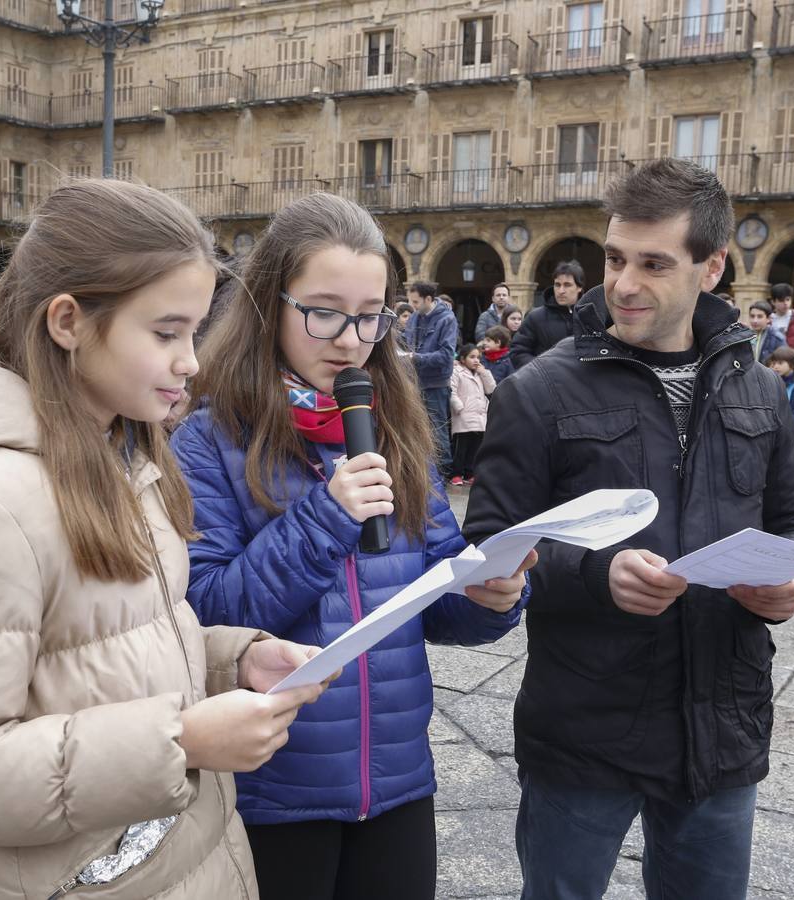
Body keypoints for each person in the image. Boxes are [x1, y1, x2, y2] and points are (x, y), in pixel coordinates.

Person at [0, 178, 328, 900]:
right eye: (166, 331)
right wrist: (181, 742)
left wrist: (232, 661)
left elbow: (103, 649)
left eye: (195, 330)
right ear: (68, 321)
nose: (193, 361)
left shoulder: (120, 451)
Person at [465, 158, 794, 900]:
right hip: (585, 728)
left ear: (711, 267)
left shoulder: (761, 388)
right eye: (616, 258)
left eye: (654, 263)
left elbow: (792, 520)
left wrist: (793, 580)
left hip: (722, 726)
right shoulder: (537, 392)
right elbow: (490, 545)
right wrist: (596, 572)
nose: (623, 283)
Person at [170, 192, 530, 900]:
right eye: (324, 311)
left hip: (396, 782)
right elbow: (206, 612)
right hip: (273, 789)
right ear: (272, 305)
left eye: (370, 316)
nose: (350, 339)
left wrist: (491, 595)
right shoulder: (207, 440)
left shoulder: (394, 430)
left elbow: (431, 599)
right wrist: (326, 517)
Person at [402, 279, 458, 478]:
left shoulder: (447, 319)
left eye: (416, 302)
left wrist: (414, 358)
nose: (413, 306)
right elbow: (407, 343)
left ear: (428, 299)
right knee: (416, 428)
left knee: (437, 430)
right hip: (414, 381)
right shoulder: (416, 317)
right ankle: (423, 473)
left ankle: (441, 475)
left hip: (435, 383)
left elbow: (445, 356)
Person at [511, 261, 583, 368]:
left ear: (579, 287)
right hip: (545, 382)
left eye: (567, 285)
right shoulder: (535, 317)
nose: (561, 290)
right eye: (557, 285)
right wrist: (543, 370)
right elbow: (518, 352)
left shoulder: (590, 317)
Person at [449, 343, 496, 486]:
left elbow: (491, 388)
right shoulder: (457, 372)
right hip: (463, 416)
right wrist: (459, 407)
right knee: (460, 448)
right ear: (462, 359)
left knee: (475, 448)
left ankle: (470, 473)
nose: (476, 360)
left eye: (478, 357)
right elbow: (452, 390)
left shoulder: (480, 373)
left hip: (479, 417)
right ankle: (456, 473)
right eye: (472, 357)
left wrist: (484, 372)